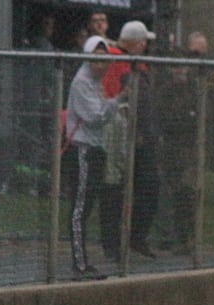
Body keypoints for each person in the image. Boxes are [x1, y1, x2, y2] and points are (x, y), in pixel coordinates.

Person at [65, 35, 126, 280]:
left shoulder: (96, 83)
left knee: (87, 205)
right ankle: (79, 264)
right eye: (96, 60)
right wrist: (118, 100)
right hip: (83, 150)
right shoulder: (82, 83)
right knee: (80, 208)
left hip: (95, 148)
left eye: (105, 60)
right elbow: (95, 116)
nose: (102, 66)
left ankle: (83, 262)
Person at [102, 20, 160, 259]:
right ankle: (113, 243)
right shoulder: (118, 62)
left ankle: (135, 237)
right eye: (143, 41)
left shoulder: (136, 64)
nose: (145, 46)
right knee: (114, 189)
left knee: (148, 186)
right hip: (121, 133)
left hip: (141, 134)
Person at [156, 54, 198, 255]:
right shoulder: (165, 92)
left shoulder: (194, 90)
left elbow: (199, 118)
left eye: (183, 66)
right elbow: (164, 119)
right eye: (176, 67)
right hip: (171, 150)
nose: (180, 71)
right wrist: (184, 118)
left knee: (186, 193)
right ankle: (171, 236)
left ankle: (188, 238)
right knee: (171, 194)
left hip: (189, 151)